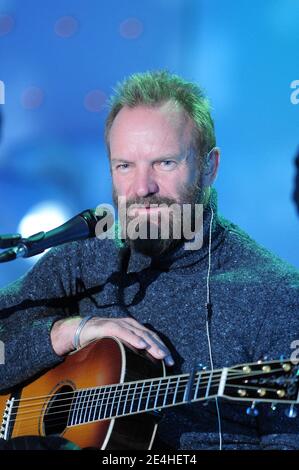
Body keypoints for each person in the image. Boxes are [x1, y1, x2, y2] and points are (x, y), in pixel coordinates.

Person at [0, 71, 299, 450]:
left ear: (210, 167)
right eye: (125, 166)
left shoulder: (277, 296)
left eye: (165, 163)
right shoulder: (84, 259)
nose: (142, 189)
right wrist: (66, 332)